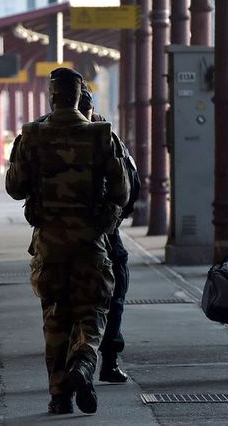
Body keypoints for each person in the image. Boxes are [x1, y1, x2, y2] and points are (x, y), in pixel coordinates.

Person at [6, 68, 130, 414]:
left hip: (49, 245)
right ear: (79, 97)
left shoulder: (31, 136)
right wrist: (103, 219)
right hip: (91, 243)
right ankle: (84, 362)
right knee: (93, 311)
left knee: (55, 318)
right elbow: (122, 191)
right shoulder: (102, 135)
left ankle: (59, 397)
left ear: (52, 97)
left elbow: (14, 188)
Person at [77, 87, 140, 384]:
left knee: (60, 303)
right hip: (103, 232)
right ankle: (108, 361)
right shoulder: (106, 135)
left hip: (54, 235)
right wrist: (114, 218)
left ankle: (68, 369)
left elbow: (17, 186)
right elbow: (129, 187)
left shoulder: (41, 134)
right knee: (114, 291)